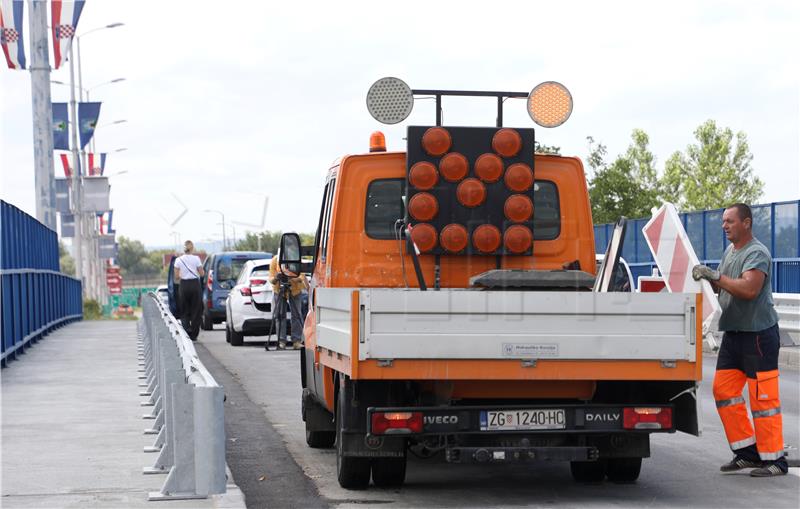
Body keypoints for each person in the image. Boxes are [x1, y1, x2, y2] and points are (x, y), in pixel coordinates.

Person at [693, 203, 787, 477]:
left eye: (730, 221)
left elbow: (748, 289)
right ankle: (747, 453)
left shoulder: (756, 252)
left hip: (758, 336)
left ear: (746, 223)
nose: (724, 226)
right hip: (734, 335)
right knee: (724, 392)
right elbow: (723, 284)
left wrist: (717, 277)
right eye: (723, 221)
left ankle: (775, 460)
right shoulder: (730, 252)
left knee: (763, 400)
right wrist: (708, 278)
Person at [269, 251, 308, 350]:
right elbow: (271, 278)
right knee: (279, 315)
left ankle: (297, 341)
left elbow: (301, 277)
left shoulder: (296, 259)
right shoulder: (275, 261)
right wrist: (277, 278)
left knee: (297, 314)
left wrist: (290, 277)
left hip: (295, 289)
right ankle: (281, 341)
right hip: (279, 289)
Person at [174, 240, 205, 341]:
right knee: (196, 309)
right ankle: (194, 334)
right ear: (192, 248)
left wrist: (183, 274)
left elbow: (176, 276)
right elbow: (202, 274)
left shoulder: (178, 260)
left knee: (184, 309)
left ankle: (186, 331)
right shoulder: (196, 259)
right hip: (195, 285)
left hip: (184, 285)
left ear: (184, 249)